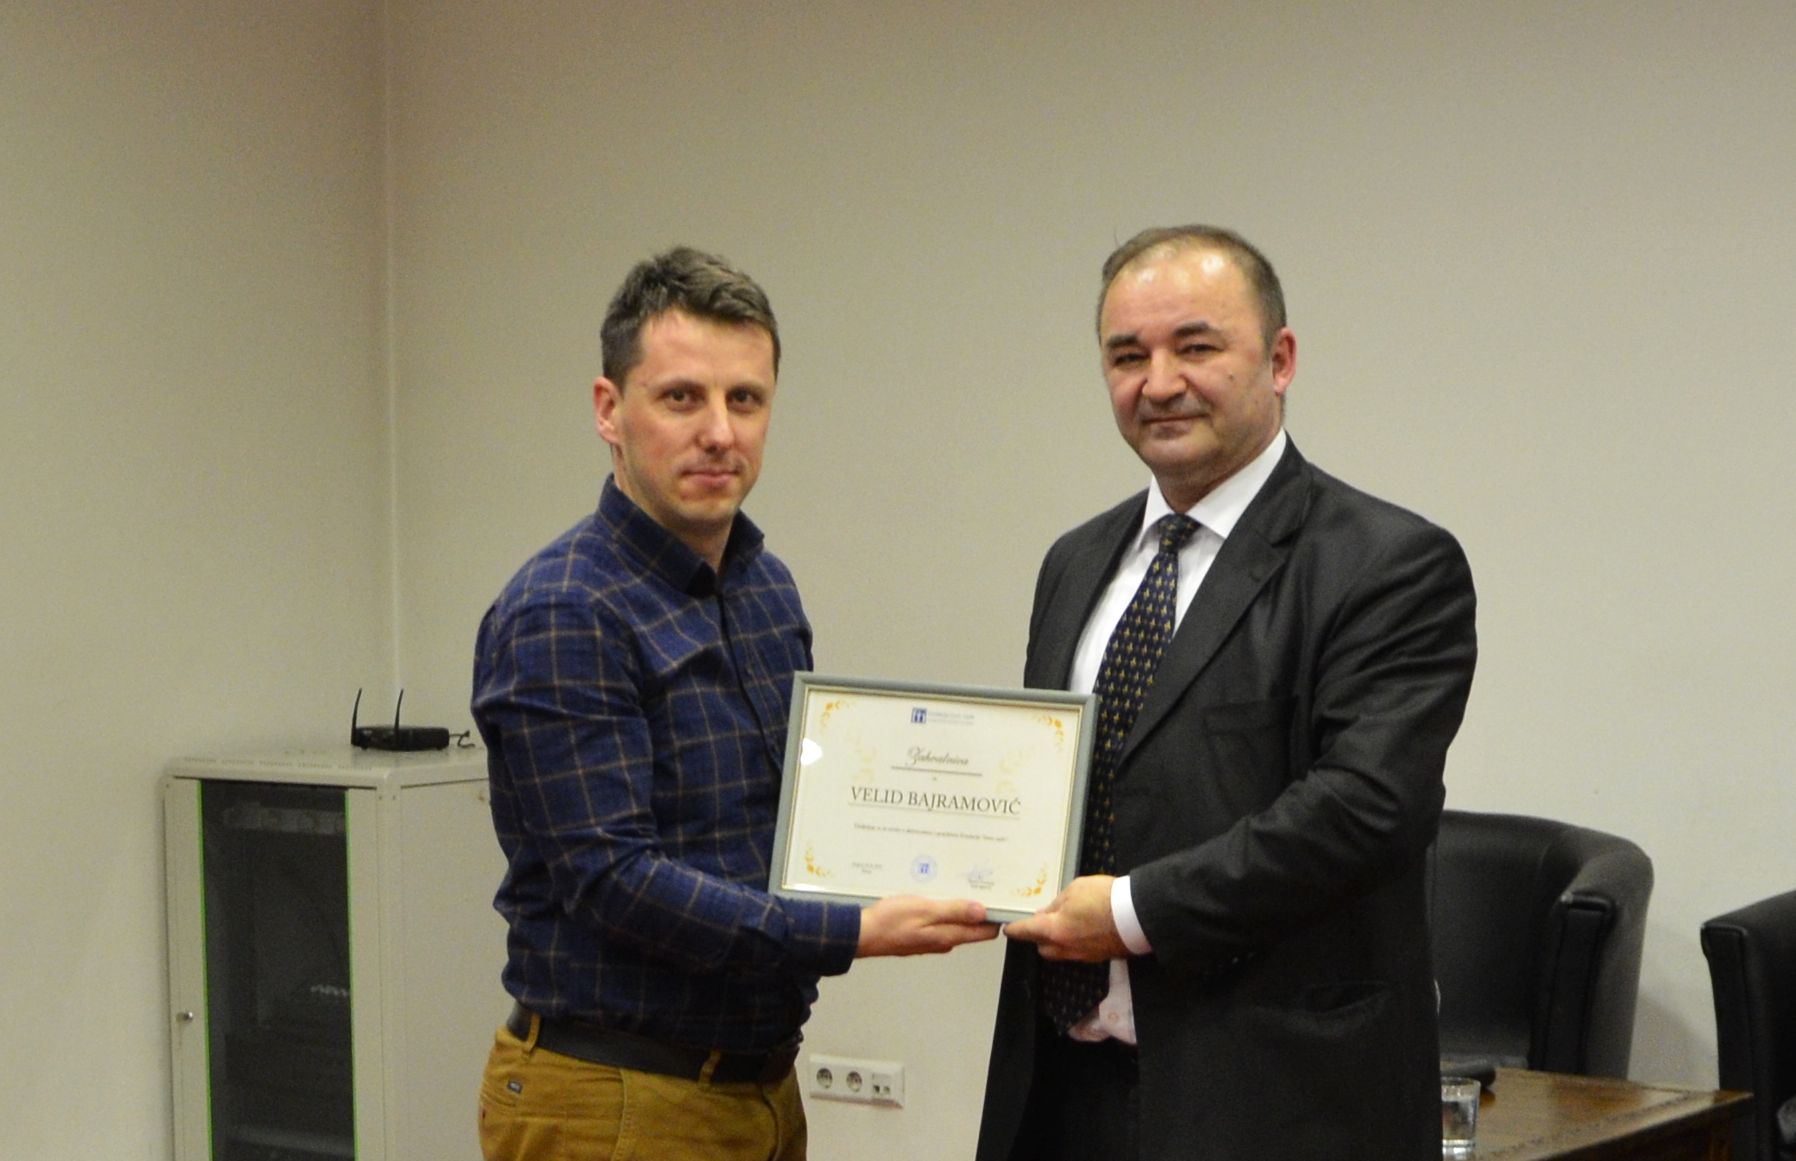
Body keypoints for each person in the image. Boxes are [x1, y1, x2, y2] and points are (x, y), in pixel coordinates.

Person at [473, 245, 996, 1161]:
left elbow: (797, 817)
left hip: (758, 1086)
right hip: (620, 1096)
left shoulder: (764, 589)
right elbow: (614, 880)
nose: (719, 431)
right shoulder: (565, 608)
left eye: (745, 399)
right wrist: (852, 928)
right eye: (682, 397)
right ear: (609, 410)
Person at [976, 226, 1478, 1161]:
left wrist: (1129, 913)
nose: (1159, 382)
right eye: (1128, 356)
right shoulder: (1075, 562)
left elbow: (1365, 809)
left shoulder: (1387, 563)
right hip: (1062, 1089)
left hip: (1273, 1103)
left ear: (1280, 360)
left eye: (1195, 346)